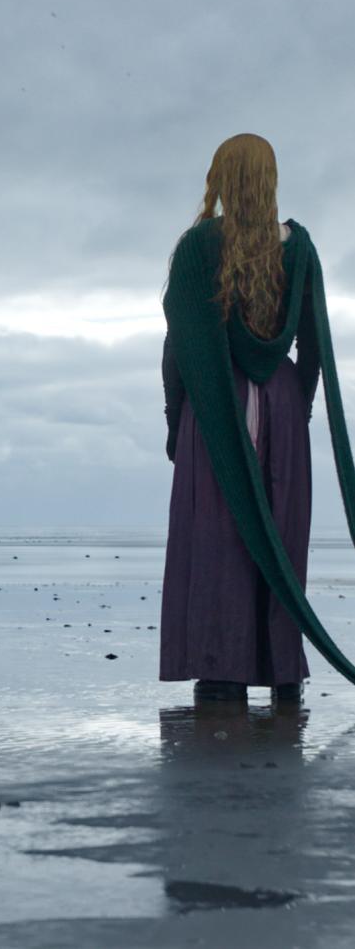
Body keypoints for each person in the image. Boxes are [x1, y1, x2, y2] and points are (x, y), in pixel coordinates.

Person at [160, 133, 355, 702]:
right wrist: (299, 410)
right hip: (286, 402)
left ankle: (222, 668)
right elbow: (315, 346)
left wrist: (178, 423)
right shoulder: (302, 247)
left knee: (218, 536)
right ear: (270, 179)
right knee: (282, 536)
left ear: (221, 177)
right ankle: (281, 670)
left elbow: (182, 346)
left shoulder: (200, 245)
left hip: (219, 403)